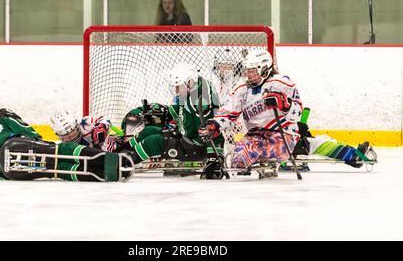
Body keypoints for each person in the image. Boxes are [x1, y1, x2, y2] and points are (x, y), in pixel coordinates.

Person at [199, 50, 376, 174]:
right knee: (238, 162)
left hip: (283, 134)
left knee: (283, 150)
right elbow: (228, 113)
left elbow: (297, 112)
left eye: (253, 71)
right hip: (255, 135)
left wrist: (284, 104)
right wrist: (213, 125)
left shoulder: (282, 83)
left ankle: (350, 154)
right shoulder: (241, 88)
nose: (249, 75)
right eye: (247, 71)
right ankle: (298, 149)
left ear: (264, 68)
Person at [0, 108, 134, 182]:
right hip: (12, 145)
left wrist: (101, 128)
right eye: (66, 134)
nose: (71, 136)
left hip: (3, 172)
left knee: (57, 168)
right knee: (59, 153)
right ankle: (108, 163)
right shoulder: (5, 119)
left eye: (72, 131)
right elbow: (31, 133)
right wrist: (38, 141)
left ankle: (103, 168)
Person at [115, 62, 222, 165]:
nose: (176, 90)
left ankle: (120, 163)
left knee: (153, 142)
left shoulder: (201, 100)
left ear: (189, 82)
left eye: (178, 86)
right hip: (185, 137)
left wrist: (213, 159)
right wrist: (166, 111)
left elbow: (212, 131)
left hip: (194, 147)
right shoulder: (194, 88)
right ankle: (119, 150)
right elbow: (183, 111)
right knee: (149, 131)